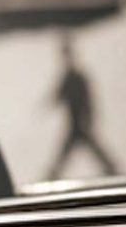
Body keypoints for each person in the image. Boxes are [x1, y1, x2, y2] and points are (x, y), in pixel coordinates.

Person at [47, 31, 120, 179]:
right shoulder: (68, 77)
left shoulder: (79, 77)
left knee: (83, 149)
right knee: (70, 151)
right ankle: (52, 176)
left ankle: (112, 170)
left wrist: (88, 118)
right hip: (74, 123)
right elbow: (58, 95)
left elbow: (88, 100)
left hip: (80, 123)